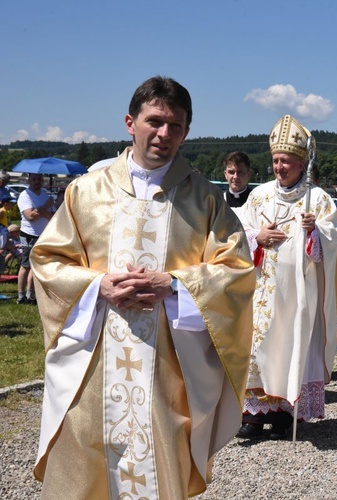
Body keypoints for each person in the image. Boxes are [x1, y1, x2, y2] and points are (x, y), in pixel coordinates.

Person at [30, 76, 255, 498]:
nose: (164, 134)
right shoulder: (86, 192)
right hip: (93, 361)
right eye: (155, 121)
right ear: (130, 122)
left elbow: (237, 270)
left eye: (176, 126)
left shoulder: (205, 199)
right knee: (86, 459)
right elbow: (48, 260)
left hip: (168, 366)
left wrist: (174, 285)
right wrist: (98, 287)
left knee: (159, 457)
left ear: (186, 132)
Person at [238, 114, 337, 440]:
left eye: (286, 161)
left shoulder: (318, 199)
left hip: (298, 292)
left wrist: (315, 233)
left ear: (301, 163)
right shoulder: (259, 196)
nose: (279, 167)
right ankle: (253, 415)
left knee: (291, 344)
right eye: (275, 160)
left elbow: (333, 240)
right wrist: (257, 236)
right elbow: (237, 231)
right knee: (258, 347)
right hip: (262, 289)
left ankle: (285, 412)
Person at [17, 173, 54, 304]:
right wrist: (44, 208)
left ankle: (30, 294)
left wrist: (43, 211)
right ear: (29, 180)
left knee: (36, 266)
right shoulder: (25, 196)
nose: (37, 181)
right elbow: (30, 216)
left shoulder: (45, 195)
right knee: (26, 265)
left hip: (43, 235)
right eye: (34, 179)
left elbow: (52, 217)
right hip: (28, 234)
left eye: (39, 179)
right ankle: (21, 296)